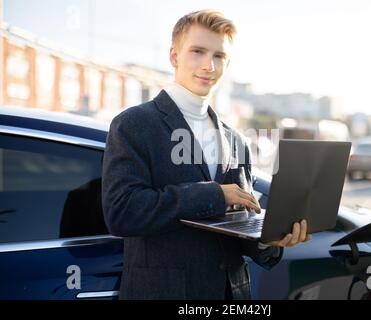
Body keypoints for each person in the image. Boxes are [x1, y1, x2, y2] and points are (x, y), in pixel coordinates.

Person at [102, 9, 311, 300]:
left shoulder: (236, 139)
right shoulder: (134, 124)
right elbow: (122, 213)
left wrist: (269, 240)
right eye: (197, 51)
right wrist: (214, 194)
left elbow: (239, 228)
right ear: (174, 57)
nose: (208, 65)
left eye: (219, 56)